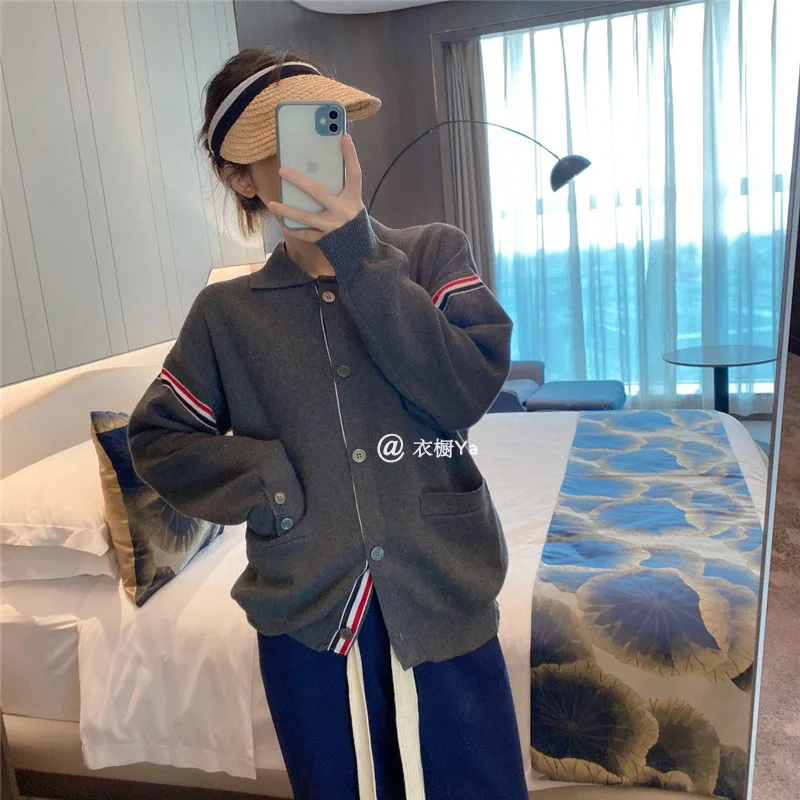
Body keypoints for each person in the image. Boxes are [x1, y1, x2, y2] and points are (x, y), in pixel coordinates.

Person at [127, 46, 528, 800]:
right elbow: (156, 438)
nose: (322, 154)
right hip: (309, 623)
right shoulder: (227, 315)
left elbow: (467, 387)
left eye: (327, 125)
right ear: (241, 178)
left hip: (442, 591)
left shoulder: (431, 254)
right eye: (283, 144)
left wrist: (356, 253)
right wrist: (270, 484)